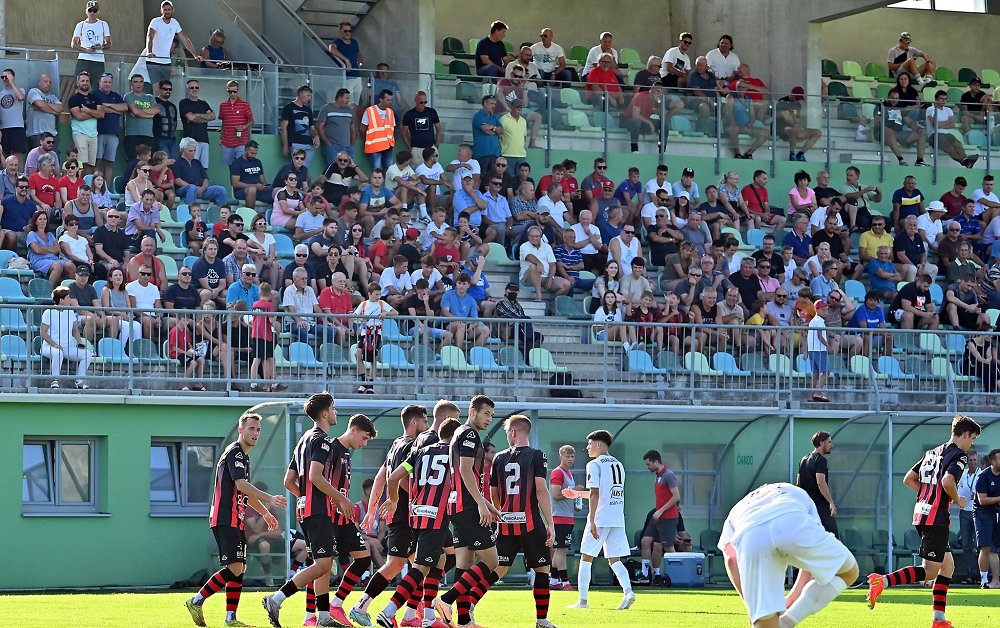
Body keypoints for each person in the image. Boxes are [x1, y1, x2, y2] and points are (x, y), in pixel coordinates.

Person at [261, 395, 370, 628]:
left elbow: (289, 481)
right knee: (322, 565)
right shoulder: (322, 440)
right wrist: (340, 499)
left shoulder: (303, 440)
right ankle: (276, 599)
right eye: (333, 408)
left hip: (308, 509)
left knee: (324, 563)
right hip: (319, 511)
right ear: (324, 413)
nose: (336, 412)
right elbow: (315, 476)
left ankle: (322, 617)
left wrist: (305, 497)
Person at [867, 415, 982, 628]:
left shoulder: (932, 452)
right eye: (972, 438)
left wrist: (929, 493)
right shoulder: (959, 455)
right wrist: (957, 500)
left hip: (921, 512)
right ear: (965, 434)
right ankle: (882, 581)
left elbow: (909, 478)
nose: (971, 443)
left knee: (947, 567)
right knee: (929, 570)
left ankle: (939, 620)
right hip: (936, 517)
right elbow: (948, 481)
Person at [720, 483, 859, 628]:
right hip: (790, 518)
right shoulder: (794, 490)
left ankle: (780, 623)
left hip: (752, 535)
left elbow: (731, 558)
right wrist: (793, 597)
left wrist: (752, 606)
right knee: (848, 571)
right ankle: (787, 622)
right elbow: (810, 562)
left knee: (765, 622)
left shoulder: (738, 508)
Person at [348, 405, 430, 627]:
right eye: (425, 420)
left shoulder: (396, 444)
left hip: (400, 513)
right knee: (396, 564)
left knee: (419, 565)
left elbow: (380, 478)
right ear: (415, 422)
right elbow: (401, 480)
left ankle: (413, 615)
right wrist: (420, 502)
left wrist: (373, 510)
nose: (428, 425)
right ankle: (360, 607)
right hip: (406, 514)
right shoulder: (413, 445)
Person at [377, 415, 462, 628]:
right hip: (436, 516)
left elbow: (393, 477)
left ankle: (427, 617)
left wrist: (394, 500)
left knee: (441, 560)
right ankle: (389, 611)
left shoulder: (419, 452)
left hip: (416, 514)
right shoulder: (455, 453)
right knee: (422, 567)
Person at [430, 396, 501, 628]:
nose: (489, 418)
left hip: (458, 505)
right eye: (486, 413)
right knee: (492, 561)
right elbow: (465, 470)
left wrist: (487, 503)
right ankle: (445, 600)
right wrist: (481, 504)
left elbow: (467, 475)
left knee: (464, 564)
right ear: (473, 411)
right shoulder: (469, 434)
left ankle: (463, 622)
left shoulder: (461, 433)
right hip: (467, 507)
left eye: (491, 414)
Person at [489, 415, 560, 628]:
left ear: (513, 432)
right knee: (541, 570)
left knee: (498, 568)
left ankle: (469, 607)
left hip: (506, 522)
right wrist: (550, 523)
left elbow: (494, 492)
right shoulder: (537, 455)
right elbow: (540, 491)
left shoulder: (498, 458)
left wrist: (502, 512)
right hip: (530, 523)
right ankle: (541, 620)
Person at [563, 430, 635, 611]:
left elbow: (595, 493)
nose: (587, 448)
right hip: (617, 518)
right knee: (614, 559)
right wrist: (577, 494)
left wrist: (593, 520)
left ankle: (583, 601)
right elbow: (602, 494)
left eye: (589, 444)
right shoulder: (618, 464)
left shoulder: (594, 464)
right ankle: (628, 592)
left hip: (601, 518)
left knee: (586, 558)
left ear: (598, 445)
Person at [636, 450, 680, 586]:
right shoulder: (658, 475)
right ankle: (648, 574)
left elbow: (676, 496)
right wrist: (658, 512)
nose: (647, 467)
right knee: (645, 541)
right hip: (658, 517)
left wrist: (660, 511)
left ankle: (677, 576)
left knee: (668, 547)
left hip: (668, 518)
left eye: (649, 464)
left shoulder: (668, 475)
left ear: (656, 462)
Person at [39, 286, 93, 389]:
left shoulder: (70, 312)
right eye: (68, 297)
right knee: (58, 352)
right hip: (49, 347)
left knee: (87, 354)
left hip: (68, 347)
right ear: (61, 300)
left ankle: (79, 382)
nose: (70, 300)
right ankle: (55, 380)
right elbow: (43, 332)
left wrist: (79, 341)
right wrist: (54, 345)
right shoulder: (48, 312)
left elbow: (75, 330)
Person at [143, 0, 202, 88]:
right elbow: (149, 37)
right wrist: (149, 51)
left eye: (169, 9)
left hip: (166, 62)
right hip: (153, 61)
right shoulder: (156, 21)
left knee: (166, 88)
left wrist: (195, 55)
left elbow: (185, 40)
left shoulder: (174, 23)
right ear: (161, 11)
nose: (167, 11)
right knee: (156, 88)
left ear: (173, 10)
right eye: (165, 9)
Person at [549, 445, 583, 591]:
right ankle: (565, 582)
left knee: (560, 551)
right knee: (561, 551)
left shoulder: (569, 474)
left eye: (572, 456)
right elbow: (556, 495)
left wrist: (576, 501)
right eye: (567, 456)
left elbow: (568, 495)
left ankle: (554, 580)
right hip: (559, 517)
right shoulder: (558, 473)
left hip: (568, 517)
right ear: (560, 456)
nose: (570, 459)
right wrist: (574, 491)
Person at [353, 282, 394, 394]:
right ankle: (363, 381)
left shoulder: (382, 303)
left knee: (373, 359)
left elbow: (395, 312)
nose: (378, 296)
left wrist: (386, 313)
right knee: (358, 353)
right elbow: (355, 316)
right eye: (376, 294)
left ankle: (370, 384)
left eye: (379, 294)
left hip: (376, 333)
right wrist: (359, 321)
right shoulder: (364, 304)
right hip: (364, 333)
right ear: (370, 294)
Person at [796, 432, 837, 535]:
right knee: (833, 537)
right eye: (829, 442)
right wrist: (831, 503)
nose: (831, 445)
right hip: (820, 507)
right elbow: (820, 482)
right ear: (822, 443)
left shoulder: (804, 459)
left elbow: (798, 483)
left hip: (807, 506)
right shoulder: (821, 460)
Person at [926, 89, 979, 169]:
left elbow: (952, 124)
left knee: (957, 143)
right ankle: (964, 161)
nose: (943, 101)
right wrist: (945, 123)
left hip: (946, 133)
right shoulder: (930, 109)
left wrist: (940, 123)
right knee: (949, 147)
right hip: (934, 134)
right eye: (941, 99)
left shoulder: (948, 110)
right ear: (936, 99)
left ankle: (965, 159)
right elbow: (935, 124)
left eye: (945, 99)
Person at [777, 87, 821, 162]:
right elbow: (786, 117)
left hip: (795, 127)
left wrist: (799, 128)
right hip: (782, 128)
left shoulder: (798, 105)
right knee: (794, 130)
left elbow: (798, 119)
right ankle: (792, 153)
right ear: (792, 94)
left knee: (817, 132)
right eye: (796, 98)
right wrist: (797, 128)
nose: (797, 100)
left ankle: (800, 154)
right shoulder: (782, 102)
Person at [280, 85, 319, 167]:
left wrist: (316, 136)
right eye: (308, 96)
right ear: (301, 94)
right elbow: (284, 127)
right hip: (295, 142)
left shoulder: (308, 110)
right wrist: (285, 145)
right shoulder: (289, 108)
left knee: (305, 168)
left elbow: (312, 127)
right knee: (298, 167)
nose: (309, 98)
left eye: (310, 96)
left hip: (309, 143)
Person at [218, 80, 254, 167]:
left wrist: (244, 126)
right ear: (227, 91)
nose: (232, 93)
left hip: (241, 141)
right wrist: (221, 138)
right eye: (230, 91)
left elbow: (252, 121)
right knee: (231, 167)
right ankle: (233, 181)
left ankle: (240, 181)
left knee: (240, 165)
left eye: (235, 91)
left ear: (238, 90)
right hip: (227, 141)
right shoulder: (223, 105)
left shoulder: (244, 105)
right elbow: (224, 122)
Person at [72, 1, 111, 79]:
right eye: (90, 10)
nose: (92, 13)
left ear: (98, 12)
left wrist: (101, 46)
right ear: (86, 11)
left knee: (97, 87)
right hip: (83, 59)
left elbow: (109, 43)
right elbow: (74, 44)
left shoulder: (103, 24)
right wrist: (86, 50)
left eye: (95, 10)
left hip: (98, 60)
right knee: (79, 83)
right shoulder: (80, 25)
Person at [362, 89, 397, 172]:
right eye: (388, 100)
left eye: (391, 100)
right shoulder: (369, 111)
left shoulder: (390, 112)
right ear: (381, 99)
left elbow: (392, 128)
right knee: (376, 172)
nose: (390, 102)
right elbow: (362, 129)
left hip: (388, 146)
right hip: (375, 148)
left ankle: (388, 185)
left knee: (390, 171)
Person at [230, 140, 272, 208]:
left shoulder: (258, 162)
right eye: (252, 153)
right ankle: (251, 216)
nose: (254, 156)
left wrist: (265, 187)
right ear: (245, 150)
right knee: (252, 189)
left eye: (255, 153)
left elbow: (263, 181)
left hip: (258, 190)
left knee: (277, 190)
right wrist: (255, 186)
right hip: (242, 191)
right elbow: (235, 184)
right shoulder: (237, 163)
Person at [328, 21, 363, 97]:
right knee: (348, 101)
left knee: (357, 101)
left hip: (357, 76)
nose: (348, 33)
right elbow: (331, 49)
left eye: (350, 31)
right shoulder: (338, 42)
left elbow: (358, 53)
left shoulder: (354, 42)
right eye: (345, 31)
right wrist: (346, 60)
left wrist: (360, 63)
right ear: (340, 31)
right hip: (346, 77)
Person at [807, 299, 831, 403]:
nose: (826, 312)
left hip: (812, 349)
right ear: (817, 310)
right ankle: (818, 391)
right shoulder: (819, 321)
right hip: (819, 349)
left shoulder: (813, 320)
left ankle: (811, 395)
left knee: (815, 373)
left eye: (827, 309)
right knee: (826, 372)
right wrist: (828, 346)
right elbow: (820, 336)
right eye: (824, 310)